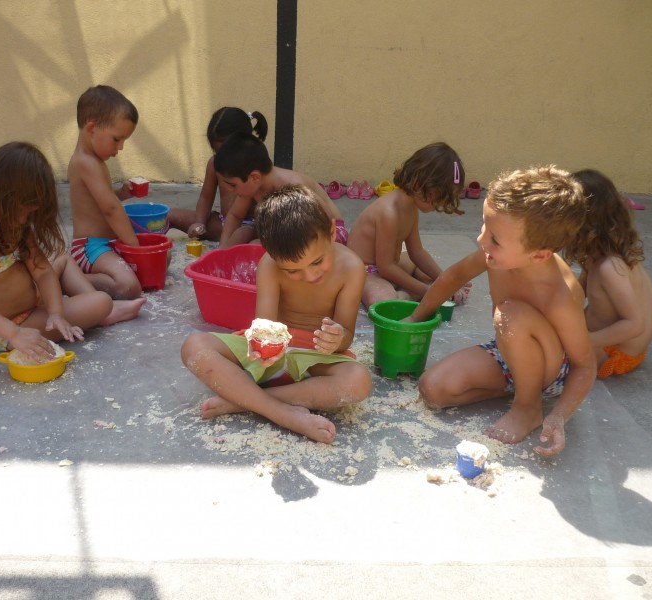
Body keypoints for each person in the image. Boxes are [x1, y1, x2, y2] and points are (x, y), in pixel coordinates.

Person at [406, 166, 596, 457]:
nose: (482, 240)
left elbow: (584, 365)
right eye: (485, 227)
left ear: (539, 254)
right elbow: (453, 277)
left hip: (552, 367)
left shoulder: (559, 296)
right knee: (433, 389)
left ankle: (528, 407)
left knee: (511, 315)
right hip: (509, 349)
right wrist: (415, 318)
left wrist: (558, 417)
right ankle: (519, 388)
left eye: (495, 238)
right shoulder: (494, 255)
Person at [181, 185, 372, 443]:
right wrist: (260, 345)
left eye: (317, 262)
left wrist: (337, 338)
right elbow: (265, 327)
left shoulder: (352, 267)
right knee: (194, 346)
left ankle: (246, 400)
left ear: (331, 232)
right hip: (272, 355)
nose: (310, 275)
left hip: (316, 357)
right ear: (271, 253)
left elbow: (346, 336)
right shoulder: (269, 265)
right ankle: (282, 413)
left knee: (358, 381)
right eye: (292, 271)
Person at [0, 142, 145, 361]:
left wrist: (56, 313)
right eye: (21, 211)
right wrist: (15, 334)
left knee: (62, 257)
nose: (24, 220)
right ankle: (102, 313)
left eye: (29, 213)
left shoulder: (8, 218)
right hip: (14, 324)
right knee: (102, 302)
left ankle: (91, 311)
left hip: (37, 302)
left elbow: (42, 271)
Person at [347, 142, 471, 309]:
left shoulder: (411, 208)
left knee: (425, 271)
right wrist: (428, 291)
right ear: (420, 185)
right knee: (385, 303)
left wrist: (445, 280)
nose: (440, 204)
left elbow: (417, 252)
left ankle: (421, 289)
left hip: (391, 264)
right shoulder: (389, 213)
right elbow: (385, 268)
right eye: (439, 198)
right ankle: (409, 295)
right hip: (366, 272)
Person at [564, 169, 652, 378]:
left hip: (614, 353)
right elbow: (577, 294)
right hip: (606, 341)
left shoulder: (610, 268)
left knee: (541, 356)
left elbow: (634, 324)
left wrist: (582, 341)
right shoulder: (600, 254)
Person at [68, 84, 144, 300]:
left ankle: (76, 275)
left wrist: (122, 193)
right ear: (92, 128)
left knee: (161, 258)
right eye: (117, 139)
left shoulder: (94, 161)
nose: (120, 147)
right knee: (128, 287)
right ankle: (67, 278)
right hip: (90, 248)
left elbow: (102, 202)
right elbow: (110, 209)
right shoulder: (85, 162)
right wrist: (134, 246)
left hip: (109, 246)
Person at [213, 132, 348, 248]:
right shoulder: (253, 186)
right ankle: (221, 260)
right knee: (242, 233)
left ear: (255, 177)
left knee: (257, 246)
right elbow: (235, 216)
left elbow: (325, 220)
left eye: (233, 185)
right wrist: (222, 248)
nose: (230, 190)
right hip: (282, 232)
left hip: (326, 231)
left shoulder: (295, 186)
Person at [168, 107, 268, 241]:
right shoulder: (215, 163)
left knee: (243, 234)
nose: (223, 158)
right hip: (222, 224)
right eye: (218, 152)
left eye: (228, 152)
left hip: (252, 226)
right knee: (170, 214)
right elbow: (205, 198)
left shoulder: (256, 165)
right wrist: (199, 222)